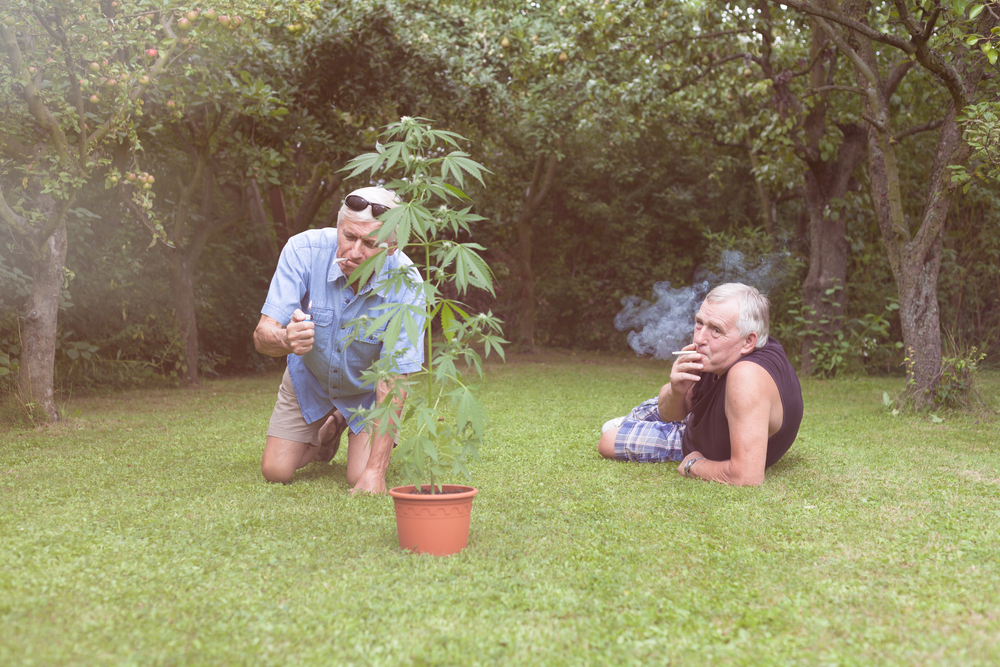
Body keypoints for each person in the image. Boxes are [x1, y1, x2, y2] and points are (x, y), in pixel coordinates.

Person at [253, 187, 424, 493]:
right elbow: (262, 337)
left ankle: (349, 424)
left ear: (391, 248)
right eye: (348, 236)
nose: (355, 252)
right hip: (311, 376)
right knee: (276, 471)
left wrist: (375, 472)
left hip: (368, 390)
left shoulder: (407, 282)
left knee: (359, 476)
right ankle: (330, 428)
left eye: (370, 243)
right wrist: (286, 338)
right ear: (338, 226)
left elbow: (395, 378)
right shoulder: (302, 250)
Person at [597, 283, 802, 486]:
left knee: (608, 438)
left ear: (748, 341)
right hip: (698, 417)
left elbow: (747, 477)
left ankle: (638, 426)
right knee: (646, 411)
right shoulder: (726, 352)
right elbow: (670, 413)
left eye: (715, 330)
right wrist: (677, 391)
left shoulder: (746, 376)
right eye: (699, 323)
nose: (700, 338)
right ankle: (634, 421)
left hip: (700, 440)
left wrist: (693, 465)